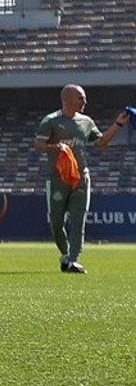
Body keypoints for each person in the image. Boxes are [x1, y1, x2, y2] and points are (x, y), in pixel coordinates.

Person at [33, 84, 129, 274]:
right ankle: (65, 254)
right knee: (56, 223)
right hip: (57, 178)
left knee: (79, 221)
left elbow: (101, 143)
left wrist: (118, 124)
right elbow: (38, 145)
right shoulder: (51, 121)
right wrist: (57, 147)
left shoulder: (86, 121)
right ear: (67, 99)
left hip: (80, 178)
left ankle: (73, 261)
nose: (85, 102)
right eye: (81, 98)